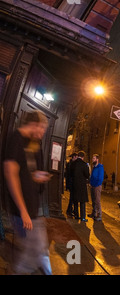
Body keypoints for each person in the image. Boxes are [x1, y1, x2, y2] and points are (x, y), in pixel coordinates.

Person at [3, 110, 52, 274]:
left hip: (32, 209)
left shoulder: (32, 143)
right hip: (21, 211)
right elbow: (11, 175)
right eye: (42, 128)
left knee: (40, 249)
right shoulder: (16, 139)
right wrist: (23, 211)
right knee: (32, 254)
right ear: (34, 125)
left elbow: (28, 173)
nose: (43, 133)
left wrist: (39, 176)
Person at [70, 151, 90, 222]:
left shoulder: (73, 164)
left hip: (74, 185)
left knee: (75, 201)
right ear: (83, 157)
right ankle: (83, 217)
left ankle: (76, 215)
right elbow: (87, 175)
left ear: (78, 156)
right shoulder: (84, 165)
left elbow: (70, 173)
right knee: (82, 202)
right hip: (82, 185)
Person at [89, 154, 104, 221]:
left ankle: (99, 215)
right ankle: (94, 213)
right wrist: (91, 183)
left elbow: (100, 178)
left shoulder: (100, 167)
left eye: (94, 158)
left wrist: (96, 184)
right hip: (92, 185)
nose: (92, 159)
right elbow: (92, 176)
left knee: (97, 201)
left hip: (97, 186)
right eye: (92, 158)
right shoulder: (94, 167)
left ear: (97, 159)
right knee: (93, 200)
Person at [65, 152, 78, 217]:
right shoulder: (72, 164)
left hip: (70, 183)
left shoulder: (69, 163)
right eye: (76, 157)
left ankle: (70, 209)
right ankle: (69, 210)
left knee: (72, 197)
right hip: (72, 183)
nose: (77, 158)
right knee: (72, 198)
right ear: (74, 157)